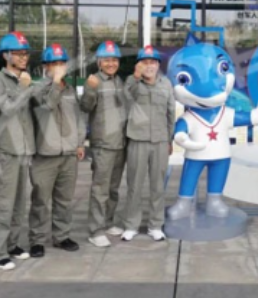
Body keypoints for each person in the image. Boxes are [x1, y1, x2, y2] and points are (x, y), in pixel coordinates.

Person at [28, 44, 85, 258]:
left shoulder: (70, 90)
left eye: (62, 63)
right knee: (41, 200)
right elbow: (47, 107)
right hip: (45, 154)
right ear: (45, 67)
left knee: (64, 199)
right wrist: (55, 83)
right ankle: (36, 240)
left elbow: (78, 118)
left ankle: (62, 236)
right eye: (55, 64)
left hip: (68, 154)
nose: (59, 67)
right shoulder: (37, 89)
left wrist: (80, 143)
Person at [0, 31, 35, 270]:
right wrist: (24, 88)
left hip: (24, 149)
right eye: (18, 53)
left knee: (18, 202)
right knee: (3, 203)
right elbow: (6, 108)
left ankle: (12, 244)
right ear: (6, 56)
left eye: (25, 53)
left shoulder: (25, 78)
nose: (23, 57)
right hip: (6, 150)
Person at [121, 45, 175, 242]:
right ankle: (131, 225)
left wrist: (169, 139)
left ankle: (155, 225)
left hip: (160, 140)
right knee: (134, 184)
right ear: (139, 64)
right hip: (138, 139)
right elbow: (127, 99)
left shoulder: (166, 84)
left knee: (157, 185)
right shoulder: (131, 82)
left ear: (158, 65)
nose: (149, 66)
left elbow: (171, 113)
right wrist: (136, 77)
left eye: (153, 62)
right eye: (145, 62)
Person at [81, 41, 130, 248]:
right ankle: (96, 230)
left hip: (120, 143)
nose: (111, 64)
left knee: (113, 188)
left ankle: (108, 222)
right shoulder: (93, 81)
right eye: (107, 60)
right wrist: (91, 90)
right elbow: (85, 107)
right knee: (100, 189)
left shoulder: (119, 80)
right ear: (99, 62)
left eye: (114, 60)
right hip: (103, 144)